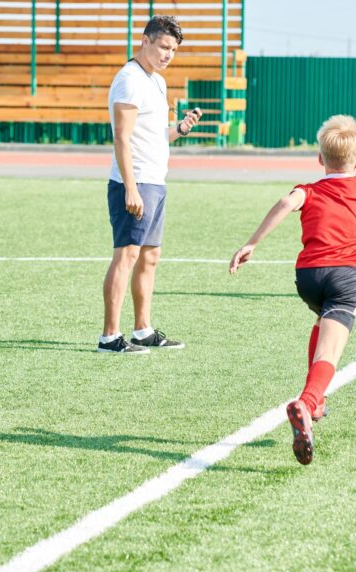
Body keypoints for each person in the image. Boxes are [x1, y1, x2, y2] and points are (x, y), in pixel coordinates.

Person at [229, 115, 356, 465]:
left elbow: (286, 203)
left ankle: (316, 403)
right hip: (344, 276)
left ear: (320, 159)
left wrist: (252, 243)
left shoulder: (309, 189)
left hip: (307, 277)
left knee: (322, 322)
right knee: (330, 353)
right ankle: (306, 403)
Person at [99, 15, 201, 353]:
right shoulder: (129, 80)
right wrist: (130, 187)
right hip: (135, 181)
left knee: (150, 257)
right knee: (126, 255)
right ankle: (110, 337)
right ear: (145, 41)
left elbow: (158, 135)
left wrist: (181, 129)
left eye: (173, 49)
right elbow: (121, 138)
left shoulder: (156, 81)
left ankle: (143, 330)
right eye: (163, 46)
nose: (168, 54)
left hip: (155, 181)